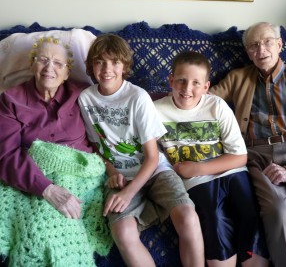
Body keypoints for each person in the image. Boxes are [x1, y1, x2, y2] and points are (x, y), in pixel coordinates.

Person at [78, 33, 205, 267]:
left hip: (155, 170)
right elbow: (96, 147)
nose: (107, 69)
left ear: (124, 66)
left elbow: (153, 156)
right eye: (100, 61)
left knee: (188, 217)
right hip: (120, 178)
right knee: (123, 232)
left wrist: (129, 193)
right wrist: (110, 171)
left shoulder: (137, 97)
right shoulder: (86, 99)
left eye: (115, 62)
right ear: (91, 66)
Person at [0, 36, 112, 266]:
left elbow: (124, 101)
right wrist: (47, 189)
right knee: (39, 228)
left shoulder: (83, 95)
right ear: (32, 65)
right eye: (43, 60)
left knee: (55, 224)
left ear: (67, 72)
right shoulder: (10, 100)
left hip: (80, 176)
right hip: (32, 178)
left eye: (58, 63)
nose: (50, 68)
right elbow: (6, 155)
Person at [154, 51, 270, 267]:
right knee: (214, 217)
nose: (187, 89)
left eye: (196, 83)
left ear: (206, 87)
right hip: (197, 182)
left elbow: (240, 157)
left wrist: (198, 167)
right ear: (171, 80)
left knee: (248, 212)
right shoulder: (156, 111)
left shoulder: (216, 106)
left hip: (231, 171)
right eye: (181, 80)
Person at [210, 21, 286, 267]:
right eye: (254, 45)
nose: (261, 50)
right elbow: (204, 99)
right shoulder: (238, 77)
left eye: (268, 42)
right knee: (279, 212)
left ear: (280, 44)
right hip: (257, 156)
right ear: (248, 52)